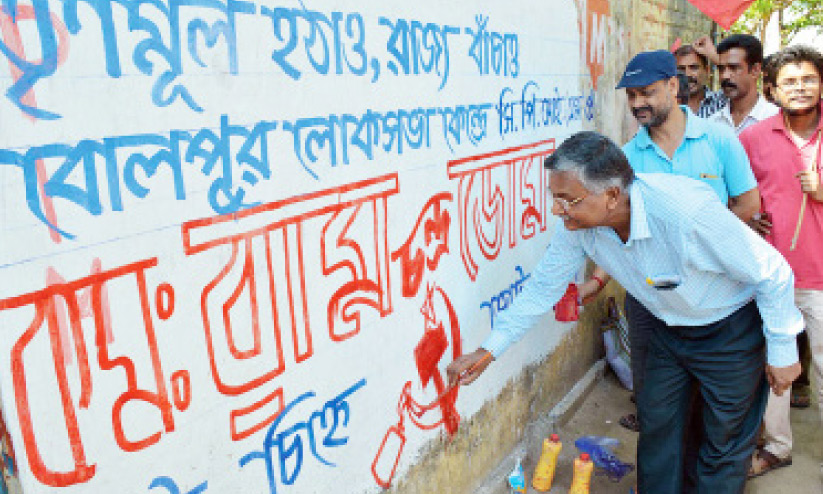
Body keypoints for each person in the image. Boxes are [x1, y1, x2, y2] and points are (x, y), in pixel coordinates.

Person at [446, 131, 802, 494]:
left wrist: (782, 351)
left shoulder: (684, 212)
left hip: (730, 330)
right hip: (666, 328)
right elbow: (542, 288)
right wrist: (488, 350)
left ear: (612, 196)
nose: (557, 210)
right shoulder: (578, 226)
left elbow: (773, 272)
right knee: (658, 428)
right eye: (555, 198)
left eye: (567, 200)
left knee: (723, 441)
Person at [577, 52, 760, 440]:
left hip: (713, 293)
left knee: (711, 402)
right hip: (650, 297)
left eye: (647, 92)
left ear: (673, 86)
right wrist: (598, 281)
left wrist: (705, 249)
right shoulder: (627, 158)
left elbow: (747, 204)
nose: (638, 103)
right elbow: (617, 230)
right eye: (632, 96)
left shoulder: (718, 139)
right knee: (655, 400)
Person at [739, 44, 823, 478]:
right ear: (771, 89)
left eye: (809, 78)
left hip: (822, 279)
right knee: (775, 366)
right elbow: (734, 195)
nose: (800, 87)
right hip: (771, 275)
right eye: (789, 81)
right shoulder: (753, 138)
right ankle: (777, 446)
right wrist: (747, 217)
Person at [712, 34, 778, 134]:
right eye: (721, 69)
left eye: (733, 68)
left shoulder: (776, 120)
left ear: (755, 70)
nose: (725, 76)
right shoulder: (713, 123)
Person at [674, 44, 726, 117]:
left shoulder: (721, 101)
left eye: (694, 68)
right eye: (681, 69)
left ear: (707, 71)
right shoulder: (668, 106)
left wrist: (714, 56)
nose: (687, 74)